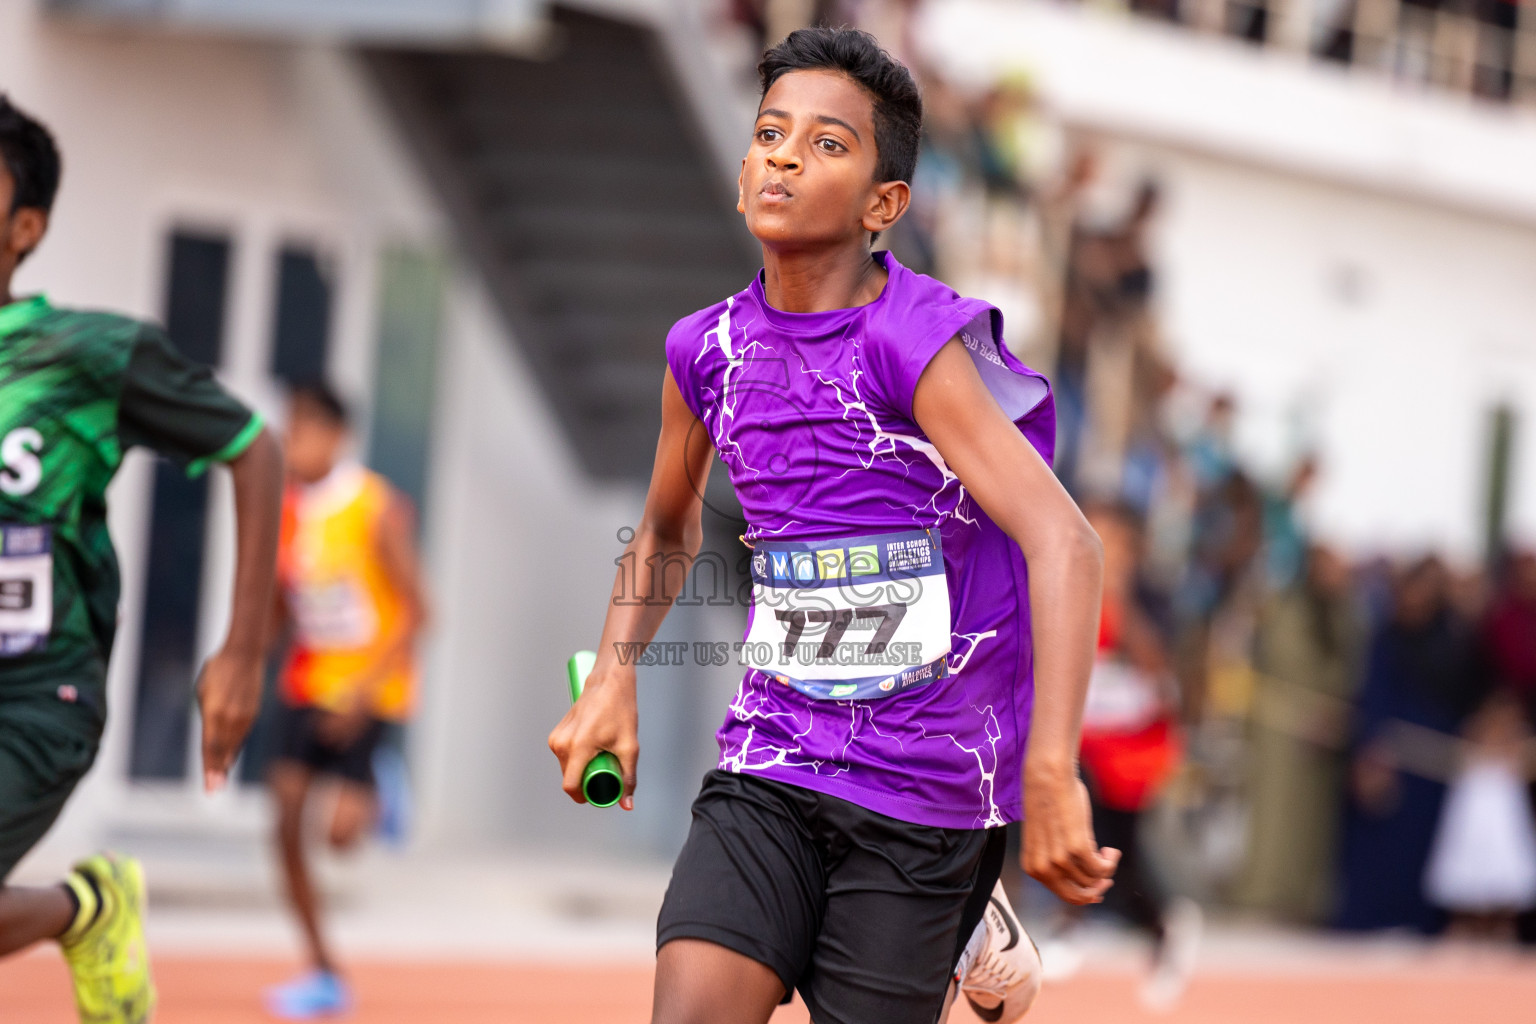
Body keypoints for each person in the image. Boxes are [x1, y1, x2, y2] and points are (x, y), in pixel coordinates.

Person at [548, 30, 1114, 1024]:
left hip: (925, 791)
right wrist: (609, 681)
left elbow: (1065, 539)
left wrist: (1051, 766)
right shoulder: (705, 350)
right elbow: (668, 530)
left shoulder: (915, 344)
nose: (783, 157)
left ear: (883, 204)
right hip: (772, 754)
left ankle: (969, 914)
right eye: (770, 134)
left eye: (826, 144)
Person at [0, 95, 283, 1023]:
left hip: (38, 698)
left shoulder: (85, 355)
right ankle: (87, 912)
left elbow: (253, 445)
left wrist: (241, 651)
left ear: (24, 225)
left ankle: (84, 909)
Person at [263, 382, 429, 1020]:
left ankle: (383, 789)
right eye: (287, 429)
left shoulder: (374, 506)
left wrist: (363, 692)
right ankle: (322, 968)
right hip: (308, 683)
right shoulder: (286, 512)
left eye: (301, 430)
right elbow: (286, 603)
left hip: (369, 691)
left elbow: (419, 610)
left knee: (338, 838)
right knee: (283, 823)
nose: (290, 442)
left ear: (335, 435)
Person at [1070, 501, 1197, 1011]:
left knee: (1123, 851)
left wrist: (1116, 596)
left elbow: (1157, 664)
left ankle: (1166, 925)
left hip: (1135, 746)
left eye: (1113, 541)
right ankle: (1072, 921)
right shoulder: (1071, 584)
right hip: (1089, 740)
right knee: (1084, 832)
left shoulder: (1150, 596)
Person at [1235, 544, 1362, 924]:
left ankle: (1304, 898)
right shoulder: (1286, 607)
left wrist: (1332, 712)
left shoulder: (1346, 614)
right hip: (1282, 727)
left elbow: (1350, 668)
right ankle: (1265, 894)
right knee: (1276, 814)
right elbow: (1282, 661)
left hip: (1328, 731)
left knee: (1313, 823)